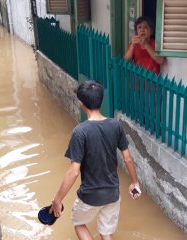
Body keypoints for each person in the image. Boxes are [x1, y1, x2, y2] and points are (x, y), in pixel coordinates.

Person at [50, 80, 141, 240]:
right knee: (106, 232)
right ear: (101, 100)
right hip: (112, 193)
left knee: (78, 222)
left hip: (89, 195)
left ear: (81, 103)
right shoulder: (115, 125)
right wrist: (135, 183)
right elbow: (127, 158)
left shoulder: (80, 132)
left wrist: (57, 200)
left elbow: (73, 171)